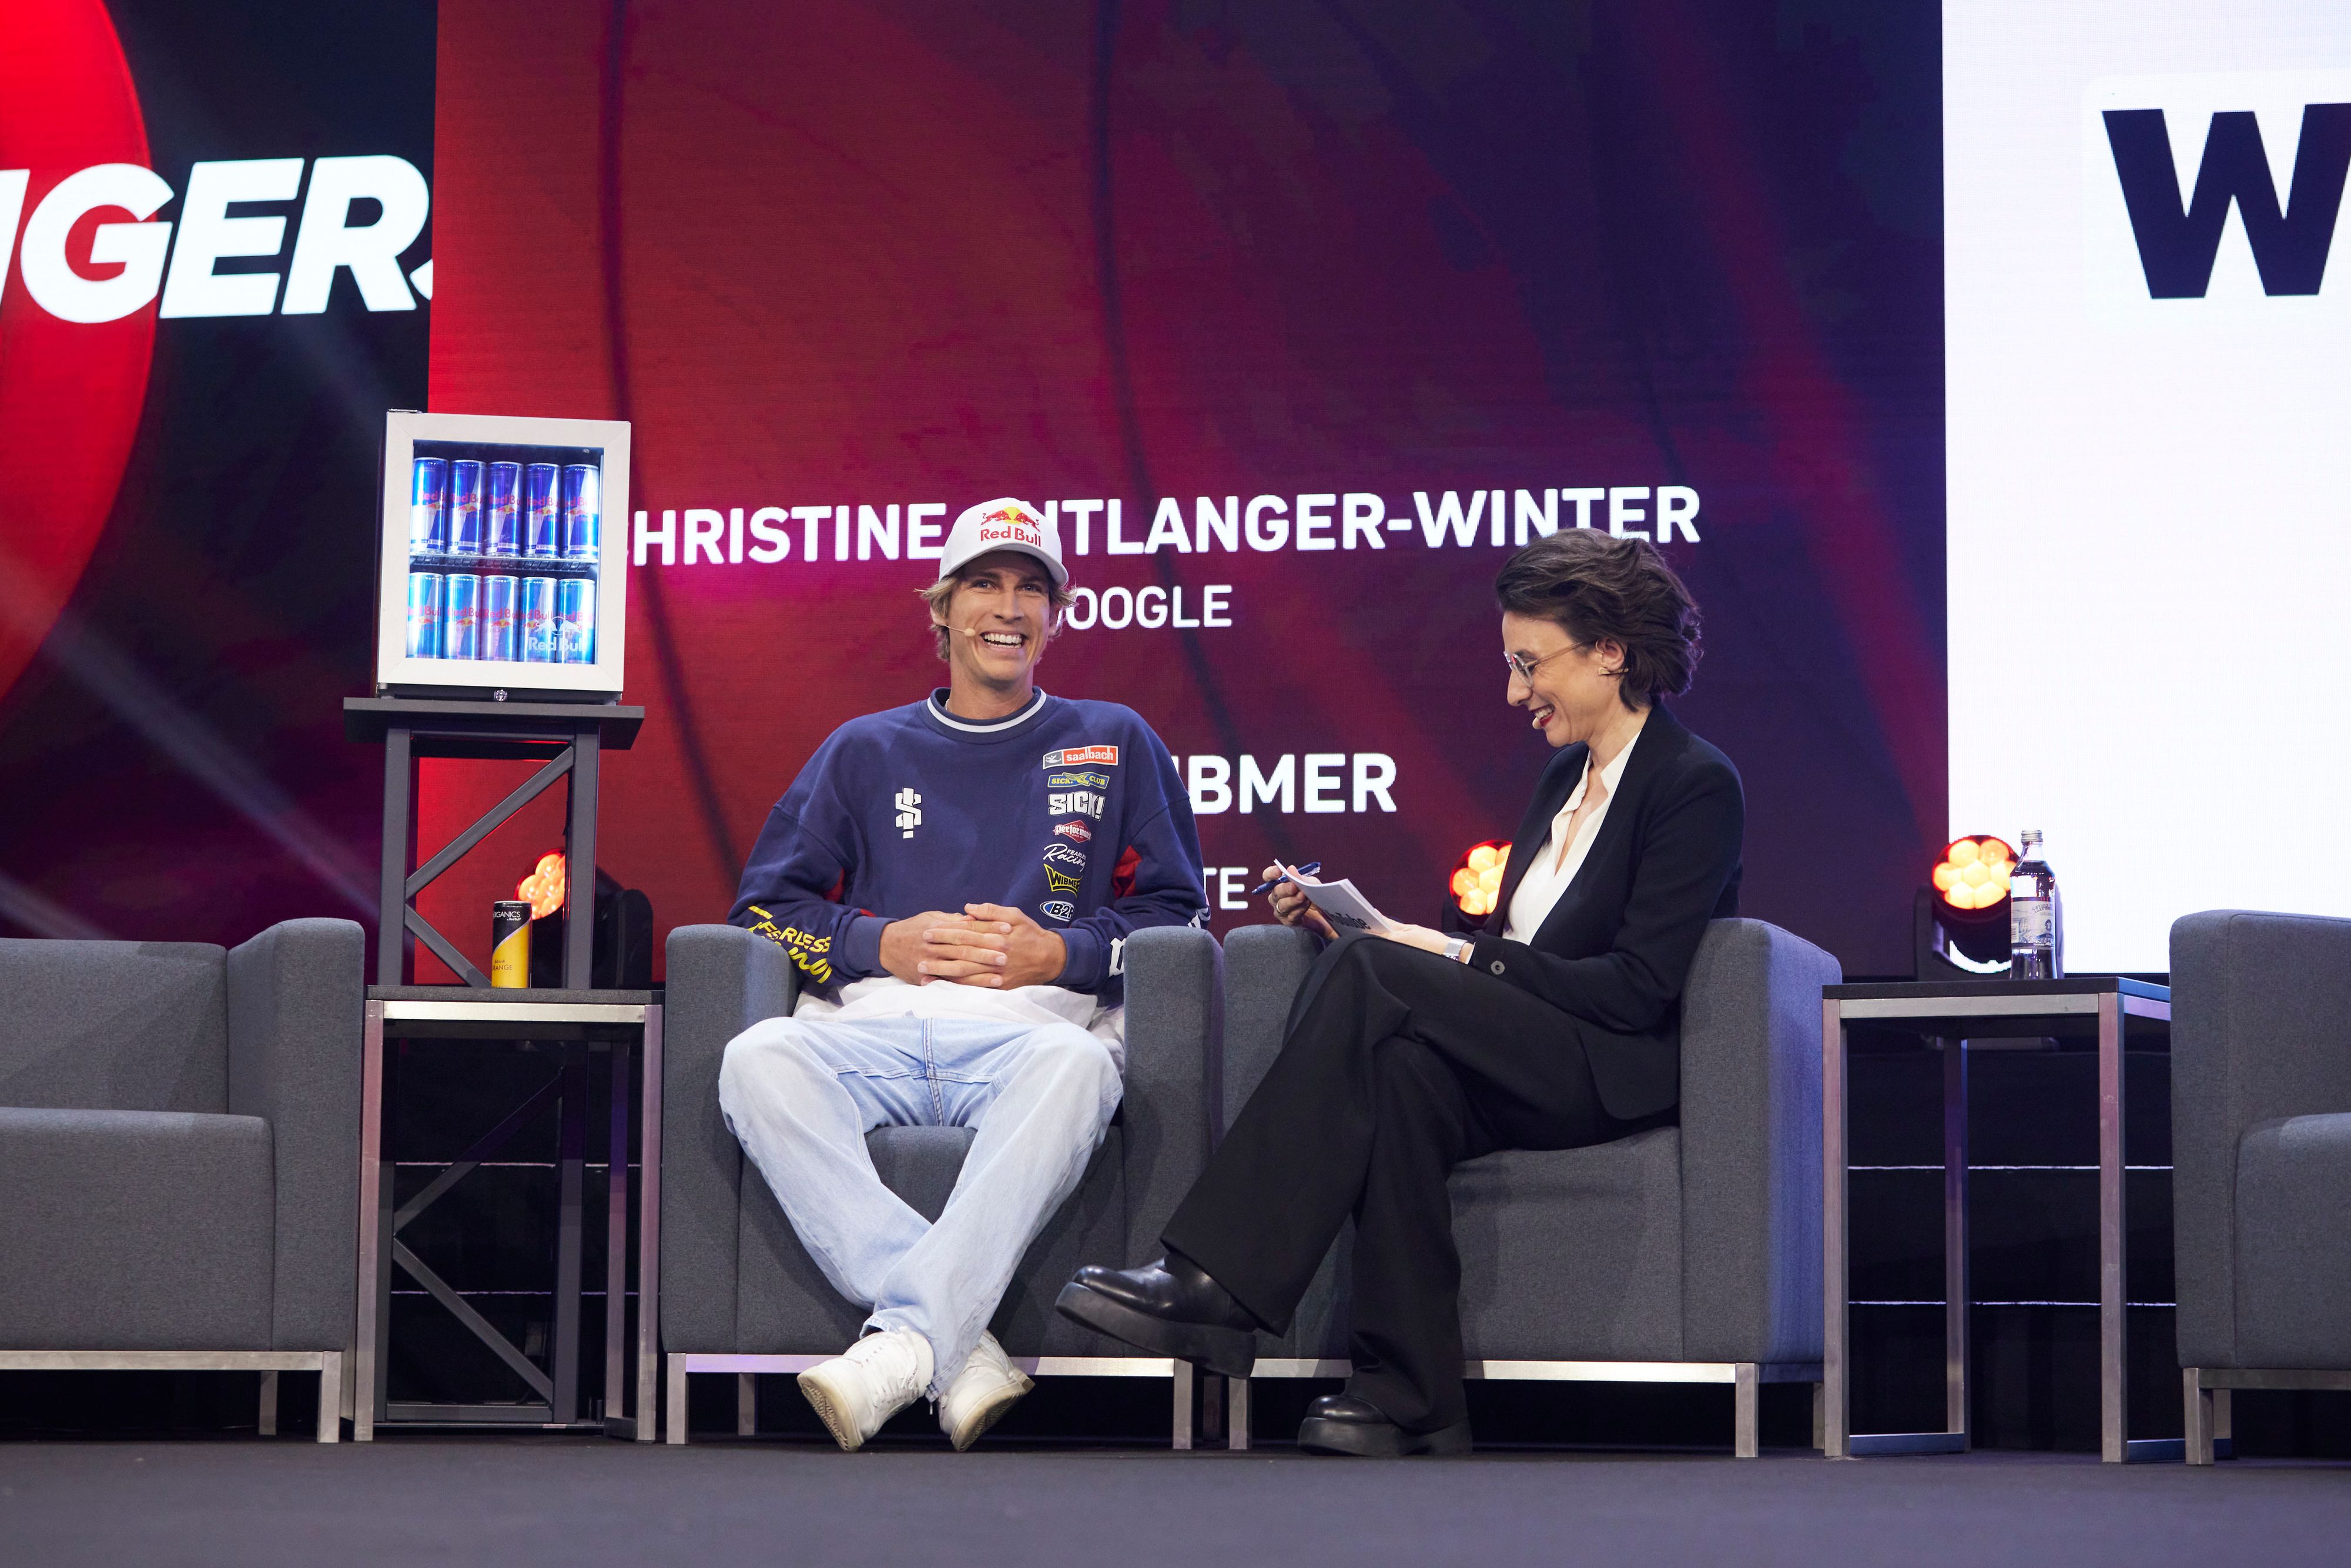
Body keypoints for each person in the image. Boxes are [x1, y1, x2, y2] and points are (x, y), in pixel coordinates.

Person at [1058, 528, 1741, 1456]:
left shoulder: (1695, 784)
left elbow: (1635, 990)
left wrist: (1449, 960)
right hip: (1529, 1045)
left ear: (1611, 652)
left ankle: (1216, 1281)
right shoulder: (1560, 778)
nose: (1515, 692)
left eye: (1528, 664)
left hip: (1605, 1065)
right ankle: (1412, 1397)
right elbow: (1516, 949)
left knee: (1380, 975)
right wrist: (1384, 929)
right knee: (1399, 1071)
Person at [719, 498, 1207, 1452]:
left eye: (1032, 587)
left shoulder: (1115, 737)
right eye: (985, 582)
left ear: (1058, 616)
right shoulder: (863, 748)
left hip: (1035, 1031)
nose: (1009, 606)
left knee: (1080, 1071)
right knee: (754, 1060)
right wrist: (877, 942)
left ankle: (898, 1349)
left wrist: (1059, 952)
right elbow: (765, 911)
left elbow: (1178, 919)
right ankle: (951, 1343)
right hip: (876, 1024)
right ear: (940, 610)